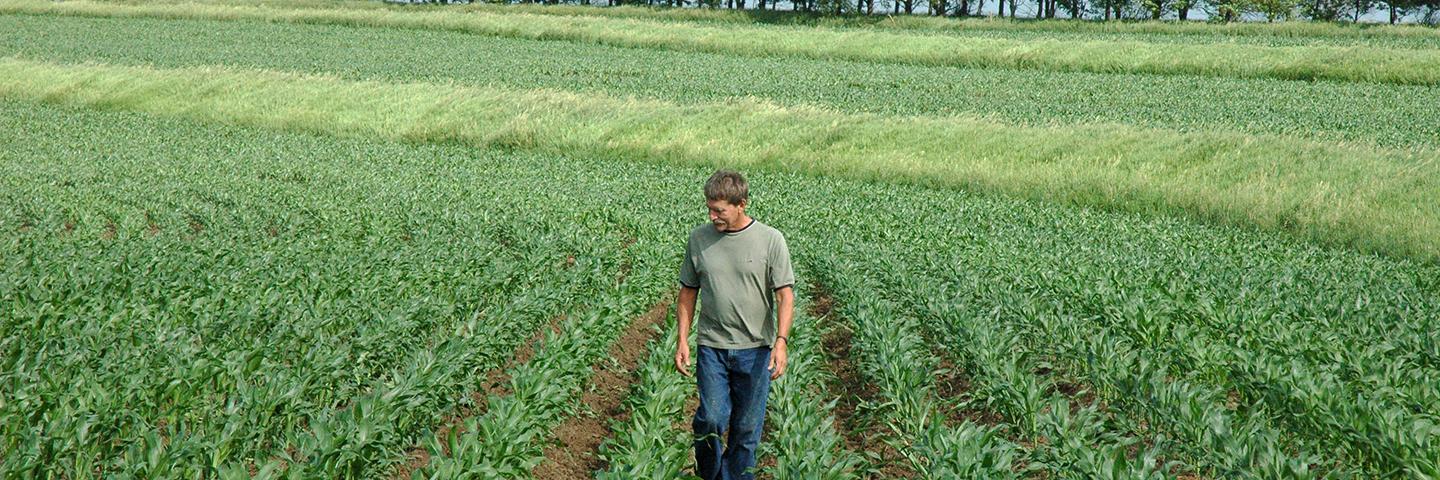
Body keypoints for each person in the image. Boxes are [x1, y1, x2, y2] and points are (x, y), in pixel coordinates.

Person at [675, 169, 795, 480]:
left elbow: (785, 295)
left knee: (746, 430)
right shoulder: (699, 239)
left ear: (741, 204)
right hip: (712, 347)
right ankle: (711, 475)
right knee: (712, 419)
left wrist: (781, 341)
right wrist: (683, 340)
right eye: (708, 208)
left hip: (755, 350)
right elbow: (687, 292)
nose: (712, 215)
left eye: (719, 210)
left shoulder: (770, 240)